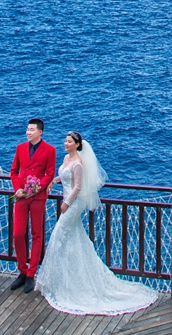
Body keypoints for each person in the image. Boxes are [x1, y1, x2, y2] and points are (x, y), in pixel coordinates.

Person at [37, 131, 159, 315]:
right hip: (68, 200)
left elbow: (78, 186)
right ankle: (67, 279)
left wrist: (66, 203)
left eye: (69, 141)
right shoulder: (66, 159)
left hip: (74, 203)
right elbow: (65, 176)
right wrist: (53, 181)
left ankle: (54, 280)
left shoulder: (78, 163)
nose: (65, 143)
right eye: (65, 141)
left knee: (59, 234)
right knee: (74, 237)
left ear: (77, 144)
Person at [9, 118, 58, 294]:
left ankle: (31, 273)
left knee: (37, 234)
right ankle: (22, 270)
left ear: (40, 132)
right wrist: (18, 189)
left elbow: (49, 173)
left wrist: (36, 188)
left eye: (31, 130)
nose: (28, 132)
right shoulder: (20, 148)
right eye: (27, 129)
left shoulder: (50, 150)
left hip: (38, 196)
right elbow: (13, 171)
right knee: (18, 234)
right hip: (22, 196)